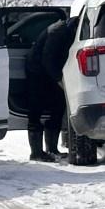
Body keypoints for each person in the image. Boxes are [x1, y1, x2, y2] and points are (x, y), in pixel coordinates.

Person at [24, 17, 77, 161]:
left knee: (58, 108)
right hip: (36, 70)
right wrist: (59, 80)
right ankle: (36, 153)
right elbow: (48, 59)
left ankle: (52, 149)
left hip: (52, 70)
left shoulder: (68, 30)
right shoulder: (57, 32)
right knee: (36, 109)